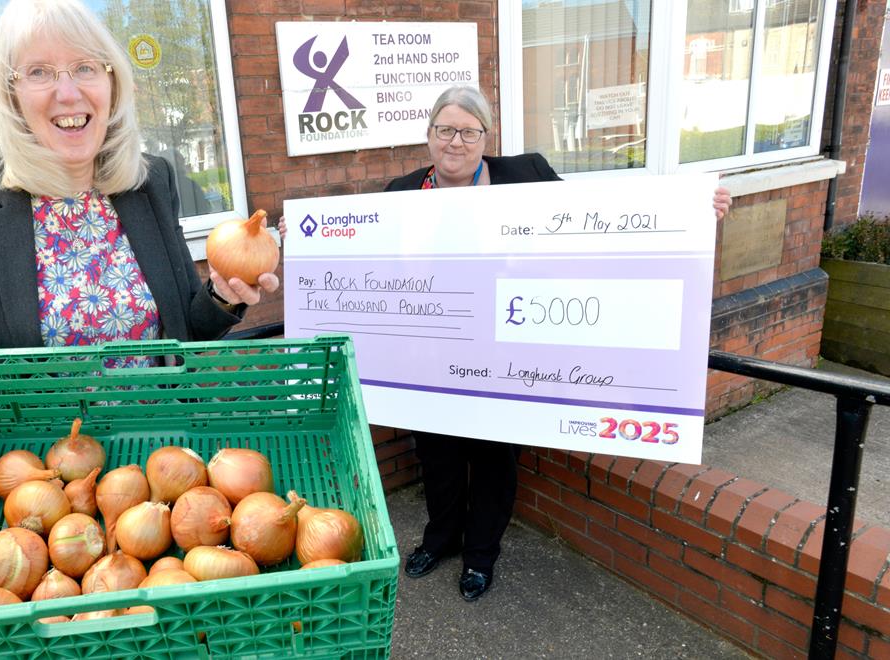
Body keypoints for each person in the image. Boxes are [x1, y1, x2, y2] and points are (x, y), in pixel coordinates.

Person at [281, 85, 731, 601]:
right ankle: (440, 538)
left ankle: (480, 556)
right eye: (444, 129)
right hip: (432, 351)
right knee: (437, 454)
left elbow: (600, 221)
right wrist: (304, 238)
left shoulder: (527, 174)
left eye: (468, 131)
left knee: (494, 457)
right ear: (428, 135)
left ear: (485, 136)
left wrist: (694, 208)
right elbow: (362, 256)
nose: (455, 141)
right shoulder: (400, 191)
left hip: (508, 350)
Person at [0, 0, 278, 417]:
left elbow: (181, 335)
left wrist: (222, 298)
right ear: (11, 96)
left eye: (85, 67)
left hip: (161, 454)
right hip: (41, 469)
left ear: (111, 83)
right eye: (39, 72)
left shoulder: (149, 180)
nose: (68, 93)